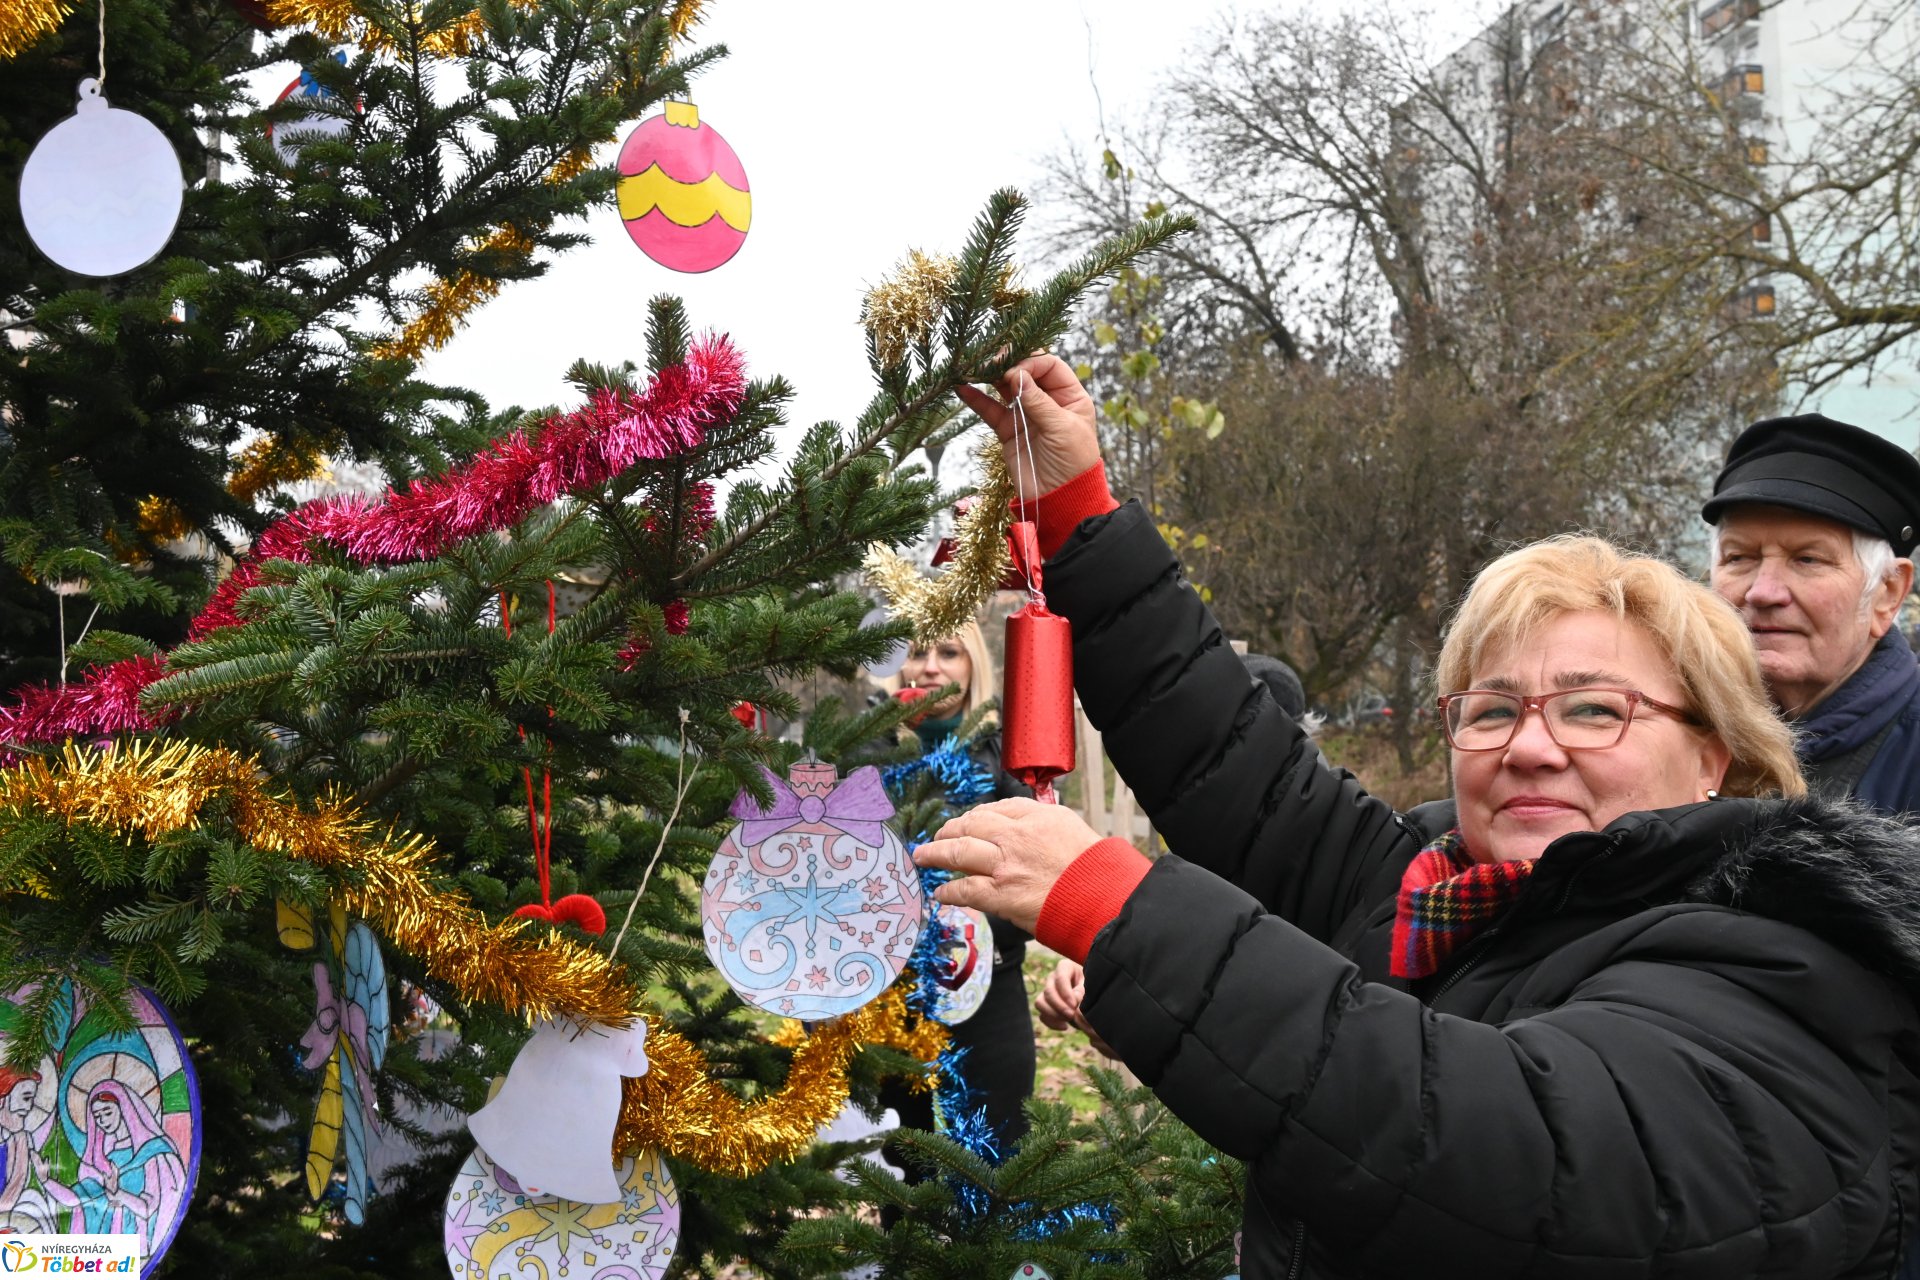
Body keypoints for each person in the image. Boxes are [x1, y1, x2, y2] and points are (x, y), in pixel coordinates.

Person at [908, 355, 1920, 1277]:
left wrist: (1119, 905)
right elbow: (1233, 759)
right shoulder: (1446, 895)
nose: (1530, 743)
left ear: (1715, 755)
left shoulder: (1789, 971)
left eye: (1594, 708)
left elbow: (1514, 1147)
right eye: (1492, 707)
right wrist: (1079, 509)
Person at [876, 620, 1037, 1162]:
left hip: (990, 980)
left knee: (1001, 1146)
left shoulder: (1007, 754)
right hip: (892, 985)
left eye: (949, 652)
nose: (931, 667)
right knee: (904, 1159)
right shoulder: (870, 754)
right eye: (918, 652)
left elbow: (1035, 860)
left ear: (973, 666)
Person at [1703, 414, 1920, 811]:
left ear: (1887, 592)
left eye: (1807, 559)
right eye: (1739, 557)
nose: (1763, 591)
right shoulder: (1658, 721)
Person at [41, 1081, 186, 1253]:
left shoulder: (152, 1152)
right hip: (102, 1252)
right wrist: (45, 1180)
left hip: (131, 1248)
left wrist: (118, 1194)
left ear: (123, 1107)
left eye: (107, 1112)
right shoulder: (107, 1159)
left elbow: (148, 1209)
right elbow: (76, 1199)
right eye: (97, 1116)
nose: (102, 1120)